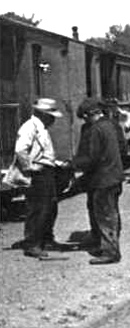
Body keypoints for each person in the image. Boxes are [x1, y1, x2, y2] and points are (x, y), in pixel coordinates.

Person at [71, 98, 125, 265]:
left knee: (104, 216)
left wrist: (71, 165)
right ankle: (105, 245)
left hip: (102, 179)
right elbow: (122, 148)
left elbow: (91, 158)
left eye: (85, 117)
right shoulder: (111, 125)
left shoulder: (95, 129)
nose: (85, 121)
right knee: (111, 214)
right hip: (114, 176)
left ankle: (110, 252)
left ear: (90, 114)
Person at [13, 98, 69, 259]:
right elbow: (20, 150)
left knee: (50, 207)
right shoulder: (29, 127)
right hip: (38, 174)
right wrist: (29, 167)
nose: (53, 119)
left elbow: (43, 153)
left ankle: (46, 238)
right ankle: (32, 243)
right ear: (42, 114)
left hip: (47, 171)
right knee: (37, 208)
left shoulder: (41, 127)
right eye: (51, 115)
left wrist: (56, 163)